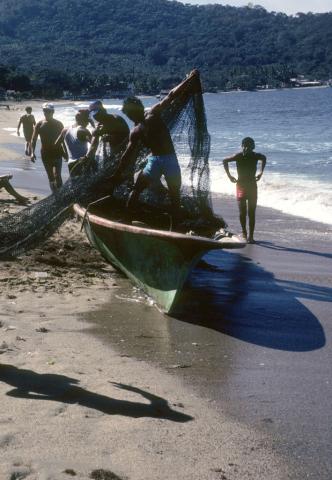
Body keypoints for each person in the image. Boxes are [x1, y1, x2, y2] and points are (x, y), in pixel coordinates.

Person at [109, 69, 201, 218]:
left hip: (169, 158)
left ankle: (176, 226)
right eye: (127, 114)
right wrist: (116, 174)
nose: (129, 116)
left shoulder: (153, 113)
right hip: (155, 160)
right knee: (137, 188)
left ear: (137, 109)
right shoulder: (135, 131)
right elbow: (127, 155)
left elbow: (171, 96)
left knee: (174, 195)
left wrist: (189, 80)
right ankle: (127, 218)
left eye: (129, 113)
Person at [223, 137, 266, 244]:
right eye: (245, 146)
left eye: (249, 146)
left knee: (251, 212)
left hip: (252, 186)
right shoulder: (238, 156)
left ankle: (251, 236)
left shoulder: (255, 156)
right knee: (242, 212)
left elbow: (264, 158)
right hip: (241, 186)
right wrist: (229, 176)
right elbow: (225, 160)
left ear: (253, 147)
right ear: (242, 146)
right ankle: (244, 233)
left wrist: (261, 172)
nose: (247, 148)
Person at [30, 103, 64, 192]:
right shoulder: (39, 124)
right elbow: (33, 139)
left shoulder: (59, 124)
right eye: (45, 111)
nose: (46, 113)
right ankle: (54, 195)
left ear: (53, 112)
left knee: (57, 175)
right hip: (45, 154)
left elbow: (63, 139)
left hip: (57, 152)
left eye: (49, 111)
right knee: (51, 177)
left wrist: (66, 153)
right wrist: (32, 153)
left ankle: (61, 195)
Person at [55, 110, 91, 177]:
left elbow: (56, 144)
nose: (88, 123)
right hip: (82, 163)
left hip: (71, 163)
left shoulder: (65, 129)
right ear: (84, 119)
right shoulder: (83, 131)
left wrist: (65, 155)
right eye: (88, 119)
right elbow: (94, 143)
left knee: (75, 184)